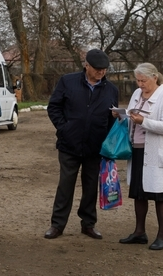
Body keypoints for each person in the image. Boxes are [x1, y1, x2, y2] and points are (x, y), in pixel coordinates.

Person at [45, 49, 119, 240]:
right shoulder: (67, 82)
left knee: (91, 186)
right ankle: (57, 225)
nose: (101, 72)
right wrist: (64, 128)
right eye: (97, 69)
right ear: (86, 65)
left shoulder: (111, 89)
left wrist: (107, 140)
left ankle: (88, 224)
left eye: (104, 69)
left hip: (95, 146)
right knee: (65, 185)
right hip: (69, 144)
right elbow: (54, 106)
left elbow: (112, 117)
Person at [118, 63, 163, 250]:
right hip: (136, 150)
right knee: (138, 193)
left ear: (155, 78)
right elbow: (131, 115)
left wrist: (144, 121)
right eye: (138, 80)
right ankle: (139, 232)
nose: (140, 84)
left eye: (143, 80)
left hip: (155, 152)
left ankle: (162, 236)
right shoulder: (137, 94)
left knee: (160, 194)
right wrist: (121, 116)